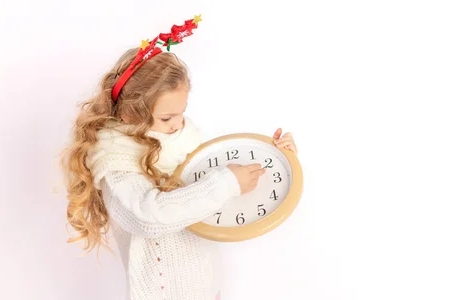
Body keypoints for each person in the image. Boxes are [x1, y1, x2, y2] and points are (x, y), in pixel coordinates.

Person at [60, 16, 298, 300]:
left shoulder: (182, 143)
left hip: (204, 287)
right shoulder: (116, 164)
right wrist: (227, 183)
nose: (177, 124)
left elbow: (210, 193)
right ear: (128, 114)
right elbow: (149, 216)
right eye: (166, 117)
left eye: (181, 113)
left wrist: (275, 158)